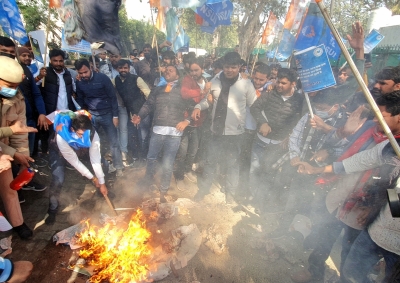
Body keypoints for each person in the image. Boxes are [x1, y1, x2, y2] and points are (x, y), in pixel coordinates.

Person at [290, 91, 400, 283]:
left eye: (381, 115)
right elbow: (354, 160)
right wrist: (319, 168)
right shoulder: (378, 137)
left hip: (367, 210)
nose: (375, 119)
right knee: (324, 235)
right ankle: (314, 271)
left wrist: (377, 208)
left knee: (350, 257)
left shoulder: (394, 149)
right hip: (342, 194)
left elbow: (392, 190)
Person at [192, 52, 257, 204]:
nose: (229, 70)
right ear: (223, 66)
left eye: (233, 67)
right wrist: (198, 107)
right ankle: (203, 190)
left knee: (233, 164)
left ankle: (230, 194)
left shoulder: (246, 84)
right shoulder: (214, 81)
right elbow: (208, 101)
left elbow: (254, 106)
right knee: (210, 162)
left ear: (239, 67)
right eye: (227, 67)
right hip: (216, 132)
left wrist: (261, 124)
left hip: (235, 134)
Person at [132, 65, 191, 202]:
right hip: (158, 130)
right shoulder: (158, 89)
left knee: (168, 162)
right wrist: (140, 116)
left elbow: (192, 108)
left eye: (171, 70)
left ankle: (163, 190)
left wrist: (186, 121)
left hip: (175, 133)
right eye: (166, 70)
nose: (167, 71)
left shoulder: (183, 91)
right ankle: (148, 182)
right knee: (151, 158)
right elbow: (148, 105)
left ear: (177, 76)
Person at [248, 68, 303, 210]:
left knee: (268, 173)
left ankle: (260, 202)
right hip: (260, 141)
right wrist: (262, 123)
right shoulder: (269, 94)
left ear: (293, 84)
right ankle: (252, 196)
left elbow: (299, 120)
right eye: (278, 82)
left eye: (283, 83)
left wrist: (290, 135)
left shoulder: (299, 100)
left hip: (279, 145)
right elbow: (254, 108)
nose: (279, 85)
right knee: (254, 170)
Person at [45, 112, 109, 225]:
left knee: (105, 164)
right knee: (58, 180)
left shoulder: (93, 134)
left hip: (81, 149)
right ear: (72, 129)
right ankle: (52, 209)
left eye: (85, 135)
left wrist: (102, 182)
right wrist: (92, 178)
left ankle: (101, 193)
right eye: (80, 134)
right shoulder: (62, 136)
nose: (83, 137)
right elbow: (74, 161)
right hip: (59, 151)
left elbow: (95, 159)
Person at [0, 56, 35, 239]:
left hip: (3, 151)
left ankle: (18, 223)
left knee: (9, 187)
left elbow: (20, 132)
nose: (12, 90)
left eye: (15, 86)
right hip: (3, 151)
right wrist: (10, 153)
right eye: (8, 86)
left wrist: (22, 157)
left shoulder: (17, 98)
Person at [74, 59, 124, 177]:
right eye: (81, 73)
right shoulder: (79, 82)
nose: (84, 75)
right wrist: (82, 115)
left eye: (85, 72)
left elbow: (112, 97)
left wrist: (115, 116)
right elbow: (81, 99)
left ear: (91, 67)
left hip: (107, 115)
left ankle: (119, 167)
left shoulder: (102, 78)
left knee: (114, 142)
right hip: (92, 116)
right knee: (94, 143)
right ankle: (102, 166)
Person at [174, 57, 210, 189]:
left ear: (202, 69)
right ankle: (179, 176)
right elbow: (184, 94)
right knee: (182, 151)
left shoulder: (206, 81)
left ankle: (188, 170)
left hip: (199, 122)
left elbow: (208, 100)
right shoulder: (187, 80)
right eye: (192, 70)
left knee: (193, 150)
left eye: (196, 70)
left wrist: (208, 93)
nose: (194, 73)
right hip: (185, 121)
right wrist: (202, 92)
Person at [16, 46, 48, 192]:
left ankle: (25, 182)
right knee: (17, 155)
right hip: (14, 122)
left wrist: (41, 113)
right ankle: (17, 186)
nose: (27, 58)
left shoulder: (27, 70)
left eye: (29, 55)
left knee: (28, 152)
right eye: (24, 55)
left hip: (30, 119)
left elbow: (36, 94)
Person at [99, 52, 137, 168]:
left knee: (123, 128)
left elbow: (135, 84)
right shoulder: (104, 69)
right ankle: (114, 150)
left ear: (120, 56)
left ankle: (123, 151)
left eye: (116, 56)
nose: (113, 58)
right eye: (111, 56)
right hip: (110, 105)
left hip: (123, 105)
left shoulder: (130, 69)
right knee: (113, 128)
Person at [39, 49, 76, 159]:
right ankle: (53, 161)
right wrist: (40, 77)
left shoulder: (68, 74)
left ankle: (66, 159)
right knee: (51, 138)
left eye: (60, 61)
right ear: (50, 61)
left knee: (66, 136)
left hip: (67, 112)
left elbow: (74, 89)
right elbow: (34, 85)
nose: (58, 63)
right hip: (51, 112)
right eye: (55, 61)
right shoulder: (44, 73)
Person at [115, 59, 151, 166]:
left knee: (143, 136)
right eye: (121, 68)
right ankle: (136, 158)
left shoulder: (137, 79)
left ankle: (144, 159)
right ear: (117, 69)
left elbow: (148, 94)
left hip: (142, 112)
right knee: (132, 135)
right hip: (129, 112)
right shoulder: (115, 80)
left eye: (125, 68)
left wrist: (145, 110)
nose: (123, 70)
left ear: (129, 69)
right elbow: (106, 87)